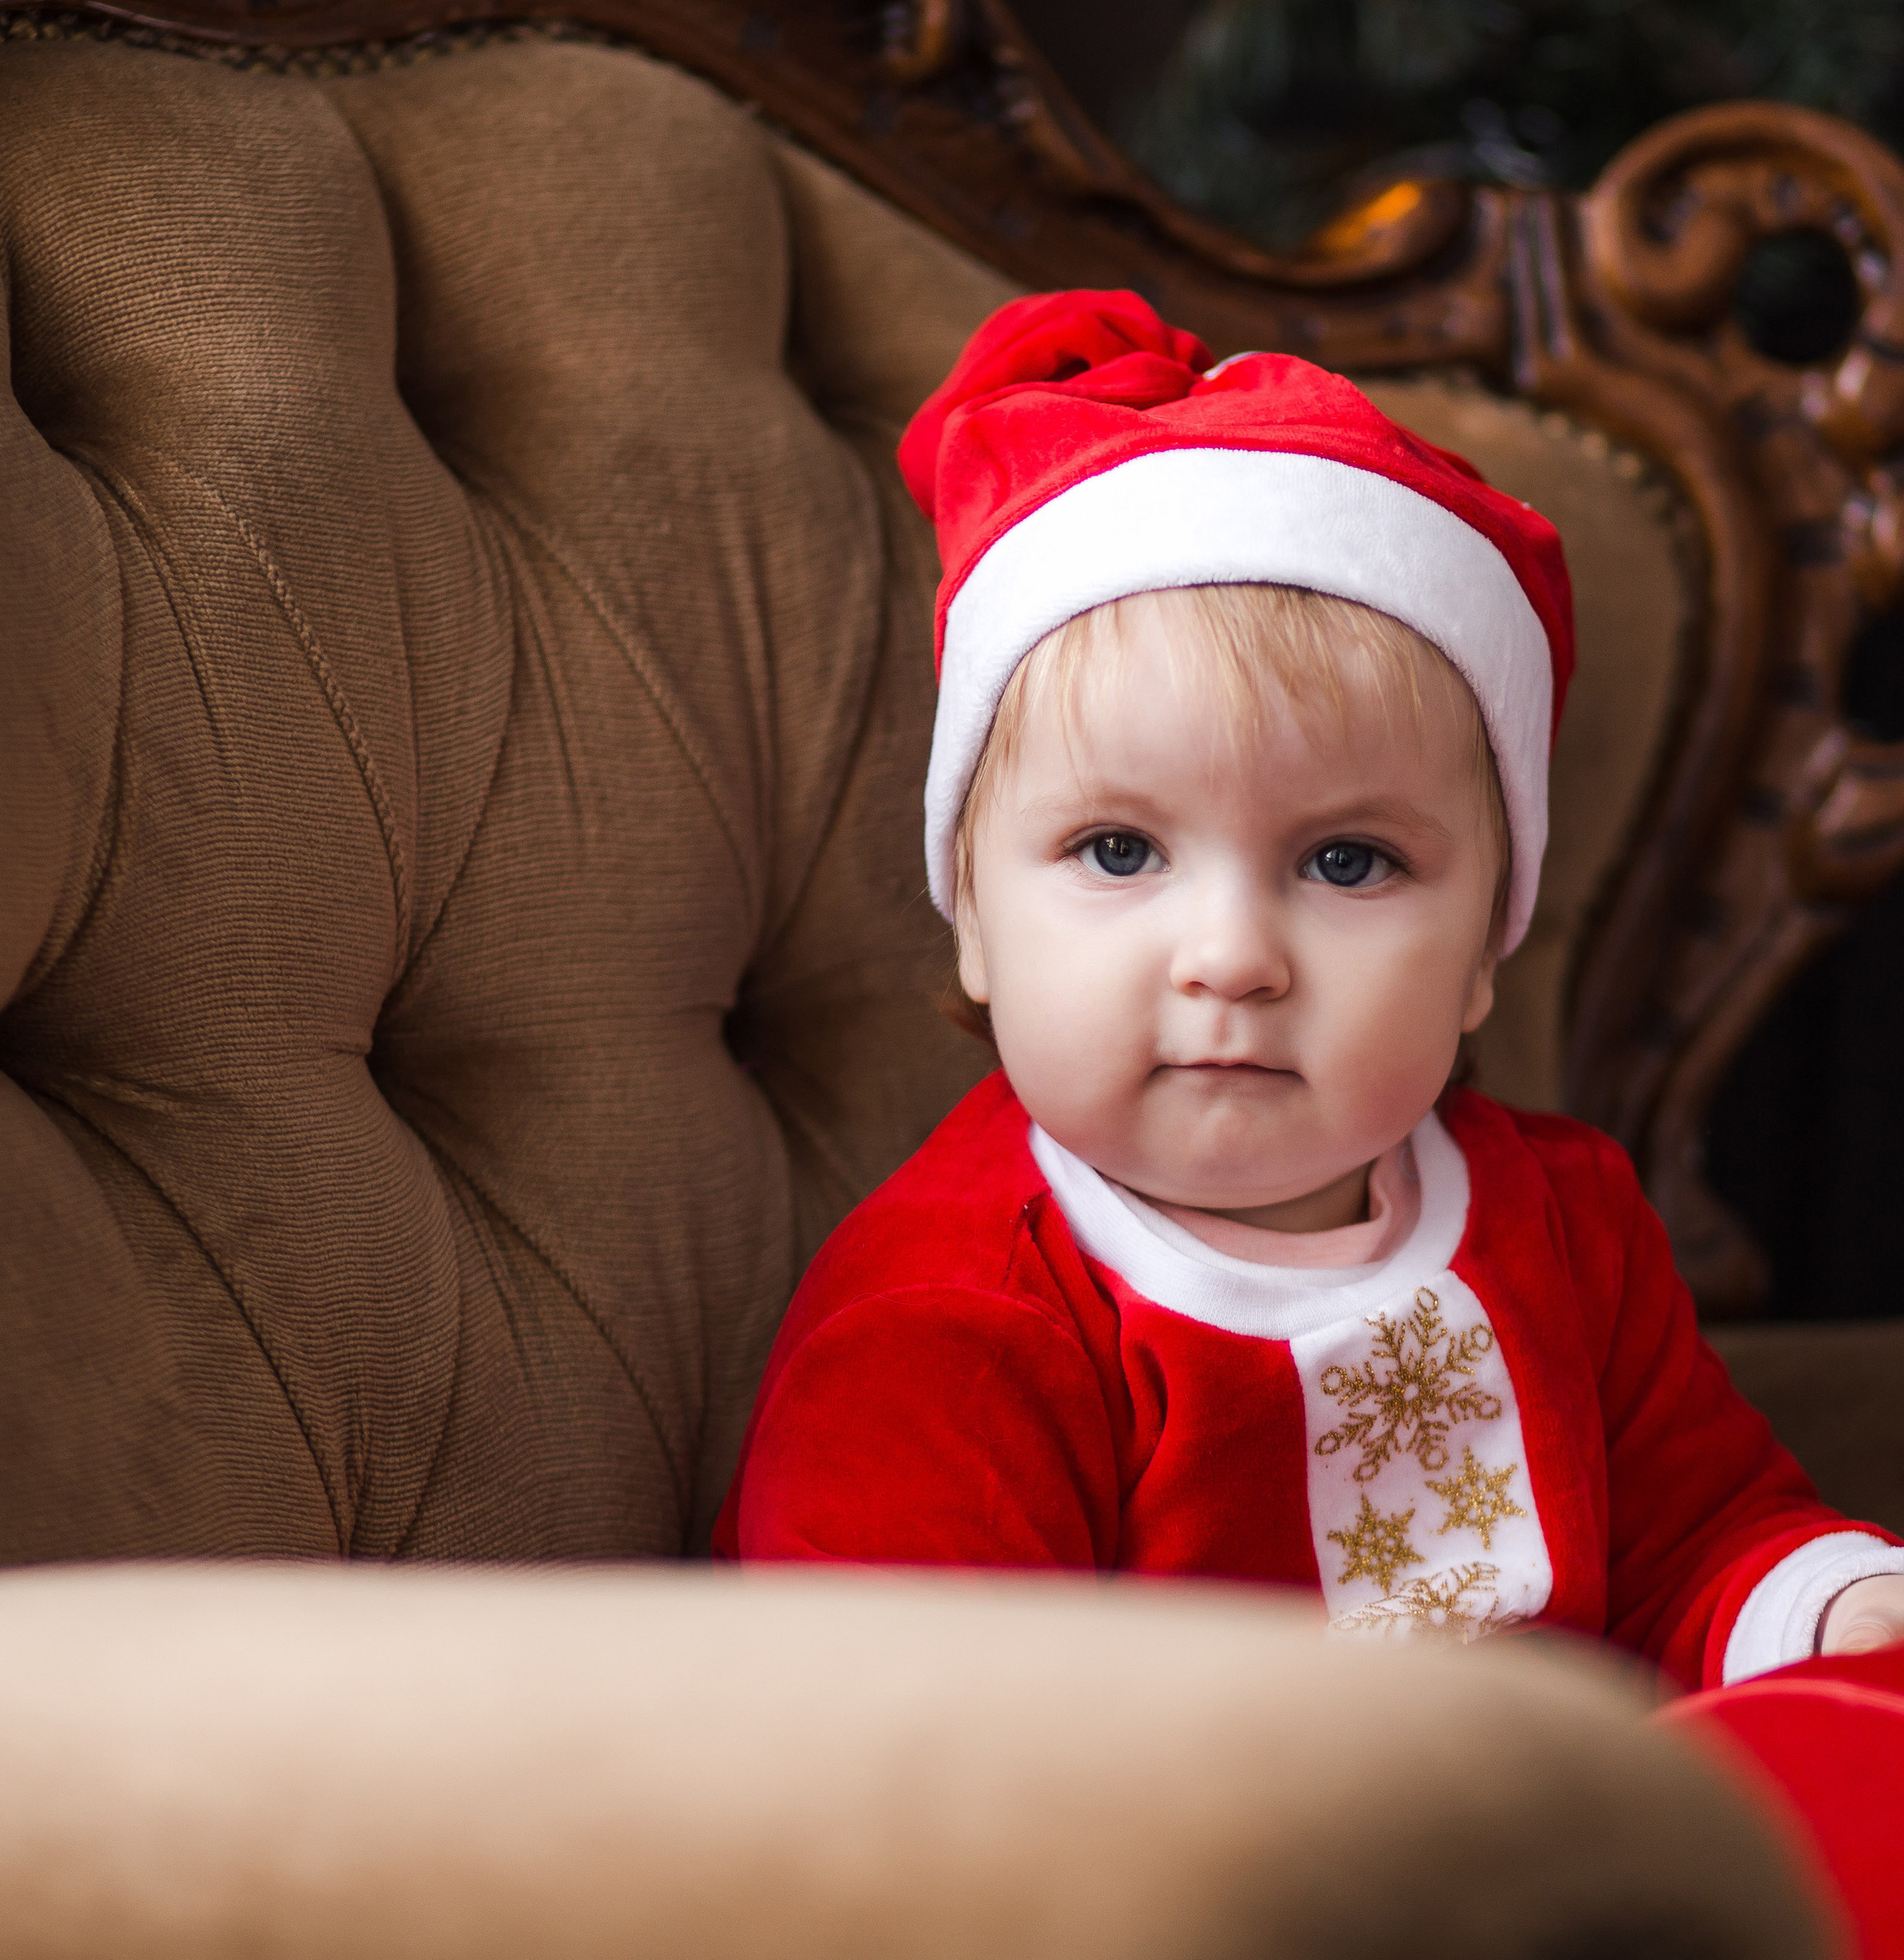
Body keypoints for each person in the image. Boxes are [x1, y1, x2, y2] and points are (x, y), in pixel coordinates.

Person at [713, 289, 1904, 1690]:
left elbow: (1697, 1544)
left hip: (1574, 1858)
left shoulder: (1566, 1228)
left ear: (1481, 951)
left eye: (1348, 861)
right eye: (1118, 849)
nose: (1232, 957)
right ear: (972, 920)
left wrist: (1824, 1609)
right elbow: (928, 1769)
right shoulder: (955, 1333)